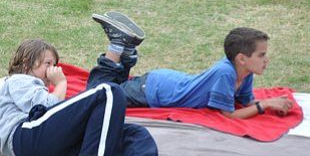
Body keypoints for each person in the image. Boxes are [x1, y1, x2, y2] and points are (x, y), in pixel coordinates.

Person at [0, 39, 195, 156]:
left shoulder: (36, 89)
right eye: (48, 63)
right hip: (29, 141)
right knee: (108, 91)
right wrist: (61, 84)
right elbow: (44, 107)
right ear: (26, 63)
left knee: (133, 133)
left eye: (55, 64)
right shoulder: (18, 80)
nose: (54, 70)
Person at [87, 12, 293, 118]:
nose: (266, 60)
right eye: (261, 55)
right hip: (152, 91)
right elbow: (230, 115)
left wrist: (273, 102)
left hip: (162, 83)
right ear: (242, 58)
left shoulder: (245, 73)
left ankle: (127, 49)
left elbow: (246, 102)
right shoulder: (226, 73)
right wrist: (265, 105)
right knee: (97, 96)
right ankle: (117, 44)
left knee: (114, 88)